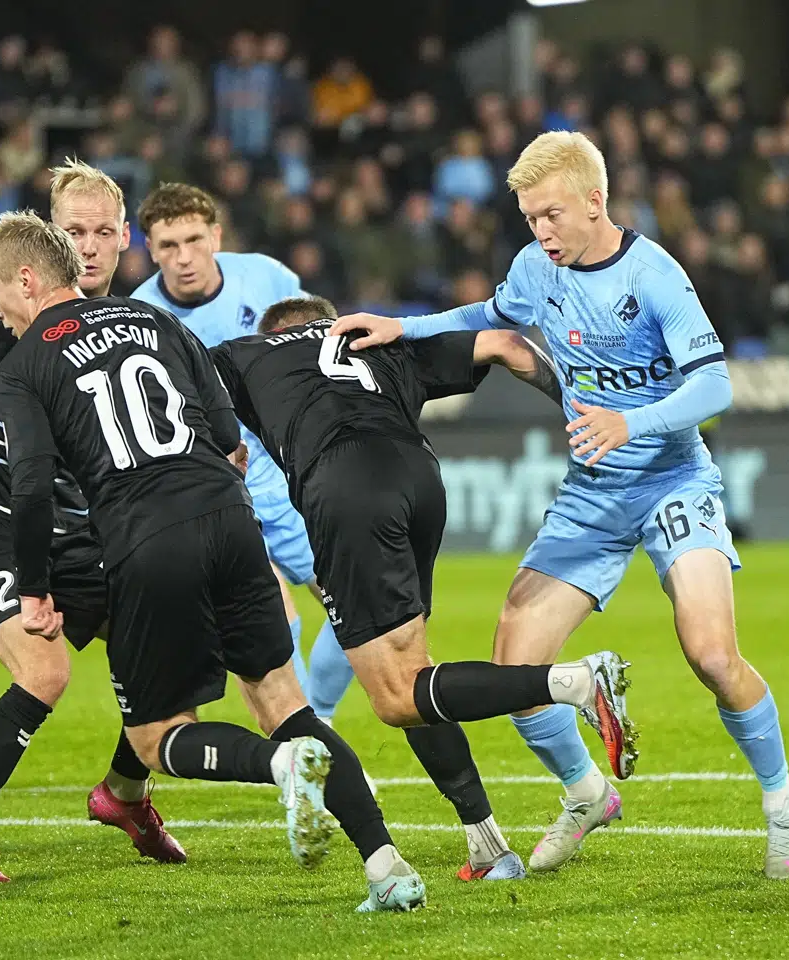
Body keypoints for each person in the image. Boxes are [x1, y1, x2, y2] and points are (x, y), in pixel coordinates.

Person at [331, 131, 789, 880]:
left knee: (712, 655)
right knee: (517, 667)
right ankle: (587, 794)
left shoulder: (655, 276)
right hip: (592, 494)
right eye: (530, 218)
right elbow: (490, 313)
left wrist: (631, 423)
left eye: (552, 215)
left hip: (673, 481)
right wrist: (404, 327)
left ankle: (782, 807)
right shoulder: (536, 268)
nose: (541, 231)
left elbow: (715, 385)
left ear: (595, 201)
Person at [0, 210, 425, 913]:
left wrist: (34, 587)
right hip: (230, 517)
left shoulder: (22, 365)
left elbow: (31, 485)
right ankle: (387, 866)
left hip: (145, 540)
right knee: (285, 702)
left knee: (155, 738)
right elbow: (225, 429)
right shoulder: (154, 319)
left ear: (28, 280)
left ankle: (280, 764)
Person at [210, 294, 636, 881]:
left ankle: (574, 682)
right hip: (419, 478)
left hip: (345, 489)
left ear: (272, 333)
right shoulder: (379, 340)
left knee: (394, 697)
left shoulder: (244, 353)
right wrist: (582, 410)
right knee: (415, 674)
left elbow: (179, 404)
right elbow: (507, 345)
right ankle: (487, 847)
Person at [0, 160, 186, 882]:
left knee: (174, 655)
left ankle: (125, 796)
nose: (88, 245)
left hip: (90, 538)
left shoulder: (127, 323)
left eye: (102, 231)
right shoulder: (10, 316)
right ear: (51, 238)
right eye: (73, 231)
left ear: (125, 238)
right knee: (47, 673)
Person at [128, 182, 353, 725]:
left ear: (216, 236)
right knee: (273, 615)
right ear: (150, 249)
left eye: (193, 240)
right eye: (168, 246)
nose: (183, 258)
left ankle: (318, 715)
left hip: (283, 476)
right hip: (211, 489)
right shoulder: (140, 315)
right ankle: (309, 739)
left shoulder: (266, 277)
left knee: (356, 596)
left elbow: (317, 351)